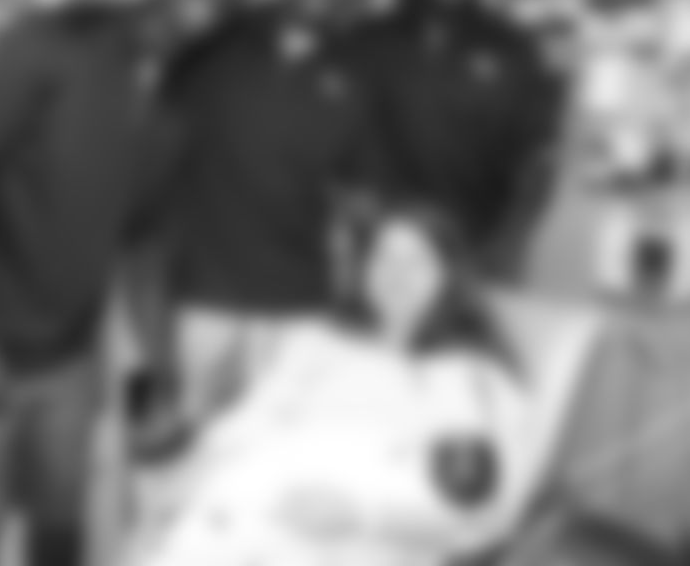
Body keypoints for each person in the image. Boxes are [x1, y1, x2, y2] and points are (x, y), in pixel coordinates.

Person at [0, 0, 248, 566]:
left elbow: (143, 254)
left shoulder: (176, 109)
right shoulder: (49, 44)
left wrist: (163, 370)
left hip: (65, 365)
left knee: (61, 535)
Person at [121, 206, 540, 566]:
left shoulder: (471, 377)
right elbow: (254, 418)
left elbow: (486, 509)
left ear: (449, 275)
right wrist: (192, 473)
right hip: (257, 502)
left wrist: (362, 515)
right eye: (384, 257)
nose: (397, 273)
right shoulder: (320, 341)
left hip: (364, 535)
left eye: (417, 261)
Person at [144, 0, 388, 433]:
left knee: (277, 446)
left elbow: (363, 193)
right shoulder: (215, 40)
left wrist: (362, 288)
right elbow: (145, 117)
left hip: (298, 303)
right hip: (203, 296)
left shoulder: (360, 73)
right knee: (186, 443)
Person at [362, 0, 569, 281]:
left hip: (475, 251)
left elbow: (539, 159)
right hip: (384, 247)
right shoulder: (373, 40)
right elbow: (335, 140)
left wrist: (509, 241)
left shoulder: (514, 50)